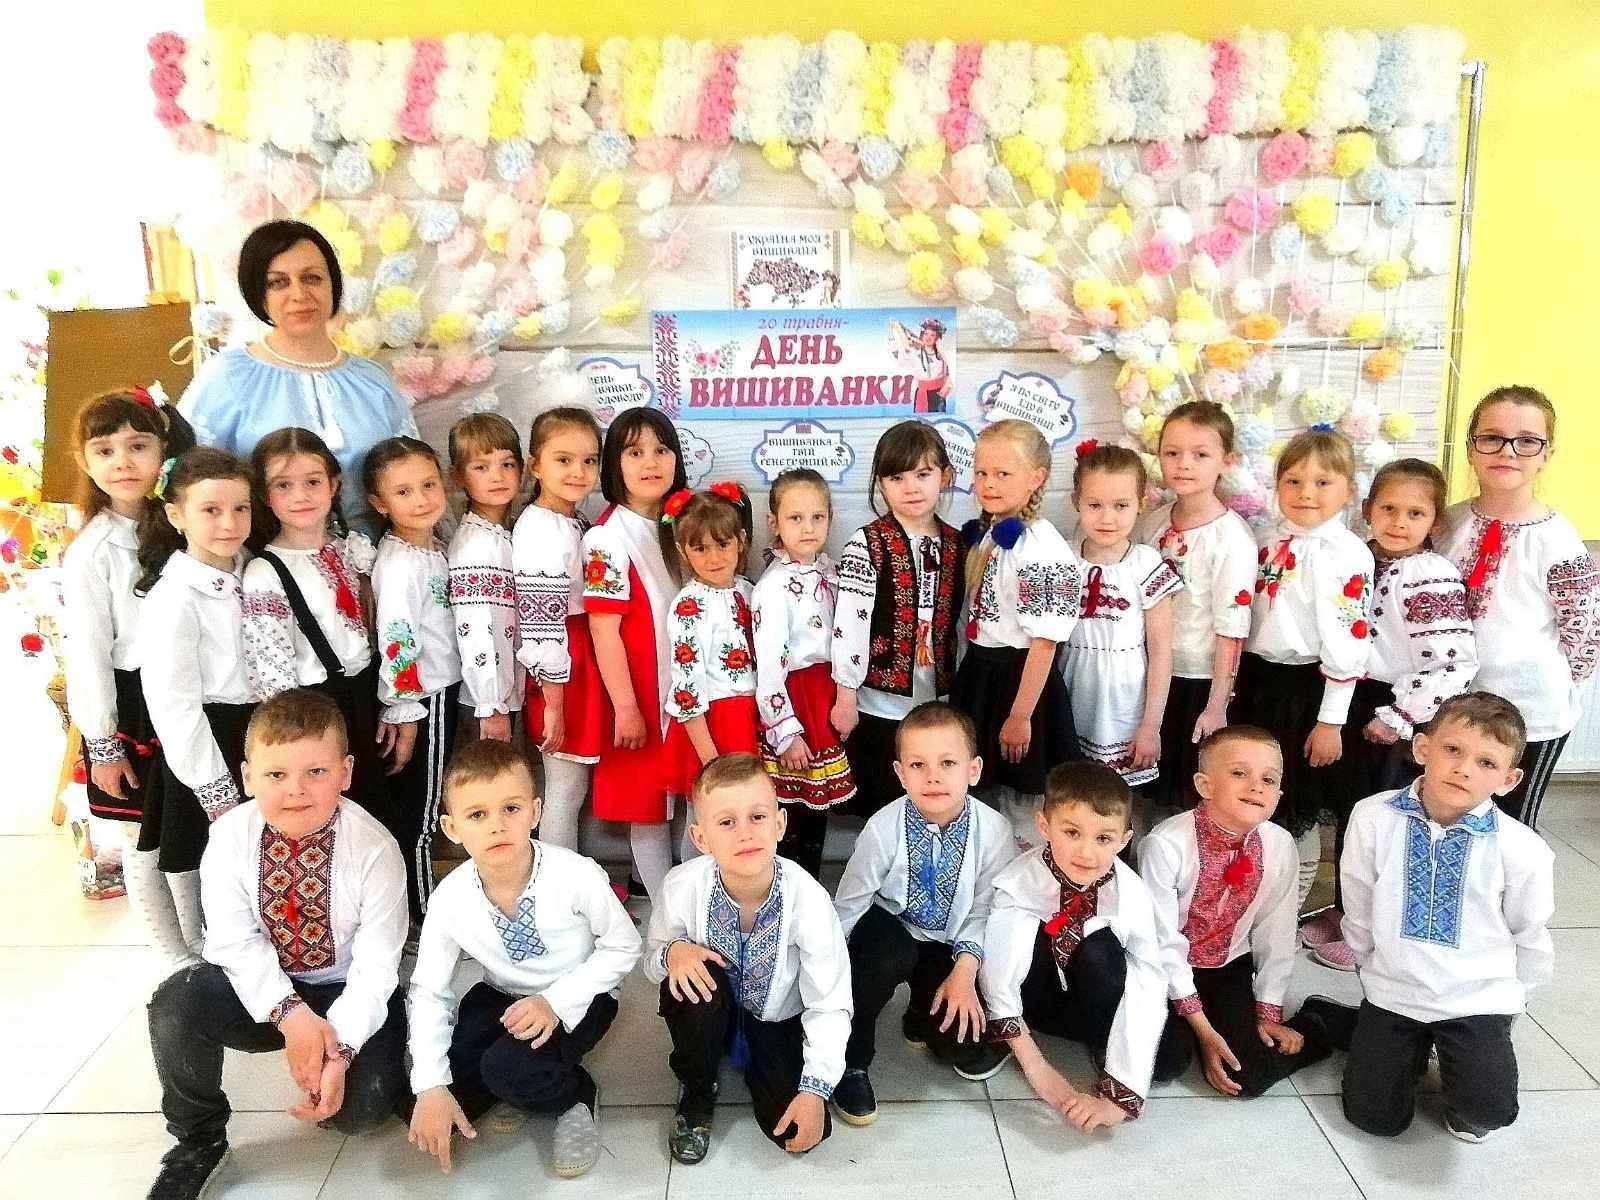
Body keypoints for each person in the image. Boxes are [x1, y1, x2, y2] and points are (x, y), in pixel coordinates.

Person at [144, 689, 408, 1200]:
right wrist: (291, 1017)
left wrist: (339, 1052)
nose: (295, 791)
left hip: (345, 989)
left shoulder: (375, 849)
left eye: (316, 772)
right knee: (176, 1002)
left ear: (346, 772)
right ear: (247, 778)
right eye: (276, 775)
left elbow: (377, 967)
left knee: (361, 1114)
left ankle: (358, 1064)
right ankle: (198, 1139)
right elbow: (233, 942)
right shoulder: (228, 837)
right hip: (263, 992)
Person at [1302, 692, 1555, 1143]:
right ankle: (1369, 1029)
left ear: (1509, 779)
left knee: (1487, 1112)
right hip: (1395, 990)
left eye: (1486, 762)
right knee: (1375, 1119)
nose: (1464, 769)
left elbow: (1530, 933)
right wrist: (1375, 971)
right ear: (1422, 748)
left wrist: (1509, 1003)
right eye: (1452, 749)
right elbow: (1357, 903)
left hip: (1475, 998)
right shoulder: (1373, 816)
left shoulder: (1523, 849)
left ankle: (1460, 1051)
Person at [406, 739, 641, 1179]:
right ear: (452, 828)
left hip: (579, 996)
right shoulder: (450, 897)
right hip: (501, 995)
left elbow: (624, 946)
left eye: (511, 809)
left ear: (535, 813)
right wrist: (431, 1086)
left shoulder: (575, 874)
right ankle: (507, 1085)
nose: (497, 826)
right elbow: (429, 991)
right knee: (433, 1089)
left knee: (507, 1069)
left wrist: (555, 1002)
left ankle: (575, 1096)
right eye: (477, 815)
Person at [1305, 458, 1478, 971]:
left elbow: (1453, 662)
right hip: (1352, 696)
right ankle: (1345, 911)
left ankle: (1372, 931)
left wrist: (1400, 716)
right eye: (1388, 509)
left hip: (1393, 709)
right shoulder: (1359, 556)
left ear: (1434, 521)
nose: (1399, 523)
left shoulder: (1429, 575)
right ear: (1367, 509)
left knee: (1384, 820)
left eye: (1415, 513)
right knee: (1351, 814)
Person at [645, 754, 851, 1165]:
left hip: (774, 1019)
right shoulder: (682, 886)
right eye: (726, 822)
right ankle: (699, 1088)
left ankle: (765, 1062)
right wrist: (673, 952)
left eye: (757, 817)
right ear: (701, 838)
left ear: (780, 824)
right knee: (688, 979)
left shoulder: (808, 899)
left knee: (796, 1130)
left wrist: (816, 1088)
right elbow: (652, 964)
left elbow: (830, 1000)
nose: (745, 833)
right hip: (707, 1009)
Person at [64, 386, 197, 970]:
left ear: (163, 449)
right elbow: (87, 652)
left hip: (187, 694)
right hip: (132, 706)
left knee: (190, 828)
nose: (123, 462)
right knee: (142, 840)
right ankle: (172, 959)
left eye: (137, 446)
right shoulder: (92, 551)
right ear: (85, 462)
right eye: (105, 450)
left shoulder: (182, 524)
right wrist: (103, 741)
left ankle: (202, 946)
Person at [830, 702, 1016, 1122]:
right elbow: (852, 902)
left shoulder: (994, 831)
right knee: (878, 962)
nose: (933, 776)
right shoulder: (883, 827)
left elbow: (986, 909)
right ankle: (852, 1060)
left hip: (952, 943)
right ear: (900, 774)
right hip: (890, 929)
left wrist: (965, 973)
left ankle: (920, 1013)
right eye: (918, 765)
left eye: (947, 763)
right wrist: (828, 974)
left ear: (973, 770)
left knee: (961, 1044)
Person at [178, 220, 417, 535]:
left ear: (333, 285)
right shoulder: (227, 377)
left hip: (377, 557)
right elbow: (189, 482)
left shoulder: (373, 380)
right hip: (264, 558)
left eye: (312, 278)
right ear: (258, 294)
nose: (299, 294)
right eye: (278, 282)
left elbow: (414, 477)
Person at [979, 762, 1184, 1130]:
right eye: (1072, 832)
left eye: (1103, 838)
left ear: (1124, 840)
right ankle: (1013, 1037)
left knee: (1171, 1061)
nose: (1087, 854)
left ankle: (1101, 1039)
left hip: (1092, 1001)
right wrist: (1037, 1067)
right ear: (1044, 826)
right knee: (1021, 936)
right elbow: (999, 971)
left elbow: (1148, 978)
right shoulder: (1018, 881)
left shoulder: (1132, 894)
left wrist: (1122, 1092)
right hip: (1037, 1001)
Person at [1436, 386, 1599, 828]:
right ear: (1471, 448)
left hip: (1529, 716)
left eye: (1527, 441)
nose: (1507, 451)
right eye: (1492, 437)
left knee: (1508, 828)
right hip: (1449, 710)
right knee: (1443, 818)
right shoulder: (1446, 523)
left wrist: (1552, 691)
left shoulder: (1557, 540)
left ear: (1546, 454)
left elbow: (1584, 639)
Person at [1139, 726, 1332, 1096]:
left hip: (1229, 967)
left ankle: (1319, 1023)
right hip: (1165, 968)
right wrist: (1203, 1029)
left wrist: (1268, 1011)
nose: (1256, 787)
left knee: (1246, 1077)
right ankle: (1198, 1030)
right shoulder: (1166, 845)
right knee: (1164, 1062)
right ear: (1205, 785)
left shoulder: (1279, 845)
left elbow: (1277, 931)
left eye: (1268, 779)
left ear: (1279, 794)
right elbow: (1160, 941)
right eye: (1240, 773)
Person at [1228, 429, 1374, 903]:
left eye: (1322, 482)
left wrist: (1330, 720)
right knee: (1248, 790)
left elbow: (1348, 641)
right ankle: (1247, 897)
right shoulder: (1266, 540)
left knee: (1295, 804)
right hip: (1257, 681)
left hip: (1306, 690)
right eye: (1293, 481)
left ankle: (1290, 907)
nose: (1306, 493)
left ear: (1349, 490)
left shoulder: (1345, 553)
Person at [242, 427, 385, 817]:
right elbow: (274, 679)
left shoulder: (351, 549)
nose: (301, 496)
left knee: (374, 814)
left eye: (312, 482)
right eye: (283, 485)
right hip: (314, 716)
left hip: (366, 701)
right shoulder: (265, 572)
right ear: (264, 495)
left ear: (333, 484)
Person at [953, 419, 1081, 849]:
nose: (989, 483)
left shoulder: (1042, 550)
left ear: (1036, 478)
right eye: (982, 472)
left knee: (1024, 795)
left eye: (1003, 473)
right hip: (983, 673)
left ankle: (1028, 870)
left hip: (1020, 682)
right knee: (982, 791)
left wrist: (1020, 715)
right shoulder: (993, 533)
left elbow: (1045, 643)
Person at [136, 449, 256, 902]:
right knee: (220, 873)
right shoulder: (174, 597)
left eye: (240, 508)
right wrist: (215, 788)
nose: (229, 523)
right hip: (212, 742)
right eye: (211, 510)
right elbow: (174, 705)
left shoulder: (257, 570)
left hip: (263, 735)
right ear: (176, 516)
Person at [832, 420, 964, 818]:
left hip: (938, 700)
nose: (911, 488)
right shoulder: (866, 544)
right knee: (883, 806)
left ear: (944, 477)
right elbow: (850, 624)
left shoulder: (958, 543)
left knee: (933, 800)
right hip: (879, 703)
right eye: (896, 477)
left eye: (923, 475)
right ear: (881, 484)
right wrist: (846, 697)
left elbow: (963, 623)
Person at [582, 409, 687, 905]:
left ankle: (685, 900)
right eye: (635, 452)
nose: (651, 462)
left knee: (687, 797)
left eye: (661, 450)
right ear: (613, 465)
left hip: (683, 692)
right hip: (641, 693)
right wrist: (625, 707)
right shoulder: (607, 539)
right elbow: (604, 631)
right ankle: (667, 915)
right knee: (646, 807)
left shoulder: (680, 523)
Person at [1136, 401, 1257, 809]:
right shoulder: (1152, 523)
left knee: (1184, 790)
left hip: (1197, 680)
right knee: (1143, 785)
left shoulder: (1231, 538)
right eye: (1172, 453)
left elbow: (1232, 626)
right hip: (1149, 672)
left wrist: (1217, 704)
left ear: (1226, 461)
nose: (1184, 464)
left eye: (1200, 454)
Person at [1060, 441, 1182, 824]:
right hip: (1072, 688)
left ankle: (1119, 855)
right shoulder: (1063, 558)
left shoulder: (1146, 564)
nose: (1107, 518)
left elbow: (1161, 652)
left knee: (1119, 802)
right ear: (1077, 501)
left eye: (1121, 505)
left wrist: (1151, 726)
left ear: (1140, 504)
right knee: (1072, 793)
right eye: (1095, 505)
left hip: (1123, 701)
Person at [367, 436, 461, 922]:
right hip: (427, 697)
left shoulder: (432, 549)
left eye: (428, 485)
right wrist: (405, 711)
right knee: (423, 813)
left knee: (426, 805)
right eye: (403, 492)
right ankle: (421, 915)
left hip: (440, 690)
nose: (421, 499)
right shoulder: (401, 563)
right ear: (380, 503)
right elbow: (397, 639)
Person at [751, 468, 856, 876]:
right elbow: (769, 667)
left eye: (817, 517)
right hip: (796, 700)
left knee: (817, 803)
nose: (808, 528)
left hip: (824, 695)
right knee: (790, 804)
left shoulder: (830, 573)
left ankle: (809, 883)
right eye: (796, 518)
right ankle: (784, 882)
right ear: (774, 523)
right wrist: (786, 732)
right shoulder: (773, 587)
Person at [512, 406, 605, 853]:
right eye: (563, 460)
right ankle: (560, 883)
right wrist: (554, 702)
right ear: (535, 464)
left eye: (589, 461)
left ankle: (578, 874)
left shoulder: (573, 520)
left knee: (577, 787)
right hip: (565, 667)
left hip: (582, 656)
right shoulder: (539, 529)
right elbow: (541, 624)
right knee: (565, 789)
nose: (578, 472)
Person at [662, 485, 763, 799]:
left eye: (723, 544)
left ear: (741, 541)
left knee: (749, 802)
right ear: (682, 551)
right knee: (712, 804)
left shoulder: (750, 591)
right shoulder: (688, 607)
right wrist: (711, 760)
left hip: (752, 716)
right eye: (700, 549)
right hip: (714, 724)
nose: (714, 558)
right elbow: (687, 687)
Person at [447, 413, 526, 744]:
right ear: (458, 476)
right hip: (489, 701)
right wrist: (491, 704)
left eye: (507, 464)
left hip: (507, 693)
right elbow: (479, 628)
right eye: (481, 467)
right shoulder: (478, 546)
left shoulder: (501, 533)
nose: (497, 476)